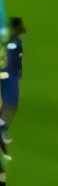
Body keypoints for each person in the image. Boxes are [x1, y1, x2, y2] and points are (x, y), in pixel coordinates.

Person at [0, 17, 26, 148]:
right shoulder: (11, 43)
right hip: (8, 77)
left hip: (12, 76)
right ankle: (2, 131)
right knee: (10, 106)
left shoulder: (15, 41)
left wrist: (19, 72)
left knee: (9, 106)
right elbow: (7, 61)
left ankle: (2, 130)